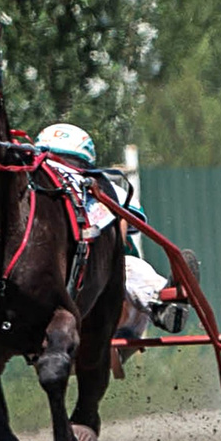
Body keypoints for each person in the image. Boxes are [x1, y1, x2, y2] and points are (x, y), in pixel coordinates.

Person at [34, 122, 175, 344]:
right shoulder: (33, 198)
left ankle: (162, 304)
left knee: (131, 268)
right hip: (54, 302)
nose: (61, 172)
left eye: (69, 164)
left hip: (114, 296)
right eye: (52, 163)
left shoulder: (103, 190)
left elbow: (133, 218)